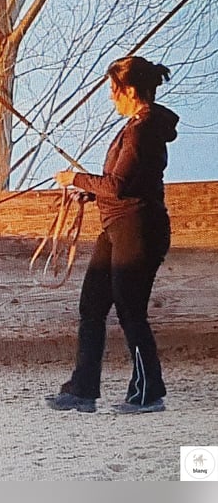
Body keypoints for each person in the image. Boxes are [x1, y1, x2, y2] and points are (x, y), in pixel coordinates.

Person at [45, 55, 178, 414]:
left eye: (114, 91)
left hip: (138, 229)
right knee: (92, 305)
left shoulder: (140, 131)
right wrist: (89, 191)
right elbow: (125, 184)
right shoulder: (138, 127)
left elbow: (118, 185)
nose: (111, 98)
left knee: (131, 310)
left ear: (130, 91)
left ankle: (149, 392)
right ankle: (83, 389)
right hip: (118, 226)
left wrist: (75, 179)